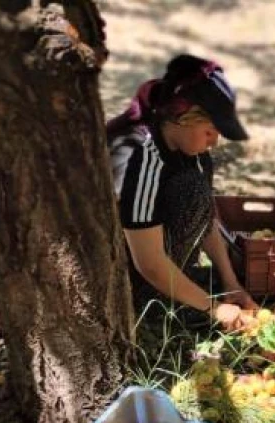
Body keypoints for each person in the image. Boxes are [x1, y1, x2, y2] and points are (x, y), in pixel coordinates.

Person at [106, 54, 256, 328]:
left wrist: (230, 283)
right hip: (124, 272)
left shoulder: (192, 150)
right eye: (209, 131)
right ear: (180, 118)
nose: (215, 141)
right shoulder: (141, 156)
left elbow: (206, 217)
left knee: (196, 188)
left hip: (162, 256)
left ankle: (177, 291)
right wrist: (213, 308)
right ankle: (149, 306)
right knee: (188, 189)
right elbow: (149, 262)